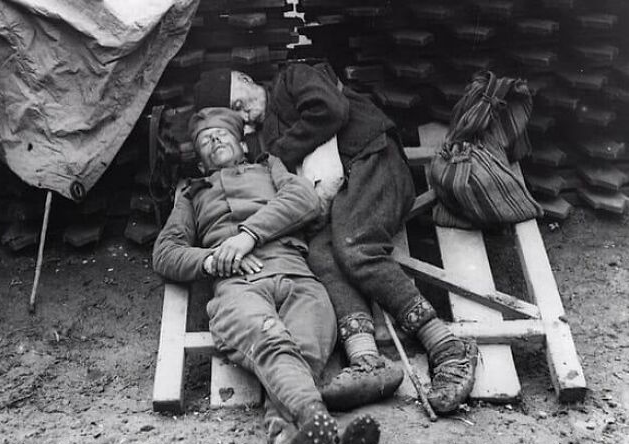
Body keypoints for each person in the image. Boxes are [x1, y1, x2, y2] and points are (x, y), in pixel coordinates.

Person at [193, 65, 479, 415]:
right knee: (320, 255)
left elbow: (330, 109)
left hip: (372, 161)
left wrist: (277, 154)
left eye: (239, 103)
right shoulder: (264, 135)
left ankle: (448, 347)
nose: (245, 116)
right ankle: (367, 360)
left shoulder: (292, 78)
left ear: (246, 80)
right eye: (238, 117)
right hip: (336, 198)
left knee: (355, 245)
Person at [152, 107, 380, 444]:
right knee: (273, 344)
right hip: (238, 287)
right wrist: (213, 260)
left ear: (242, 145)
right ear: (200, 161)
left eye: (222, 134)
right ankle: (322, 433)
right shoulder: (192, 193)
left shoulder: (270, 167)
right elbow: (166, 252)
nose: (215, 140)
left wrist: (248, 235)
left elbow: (305, 199)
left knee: (301, 353)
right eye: (205, 140)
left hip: (297, 276)